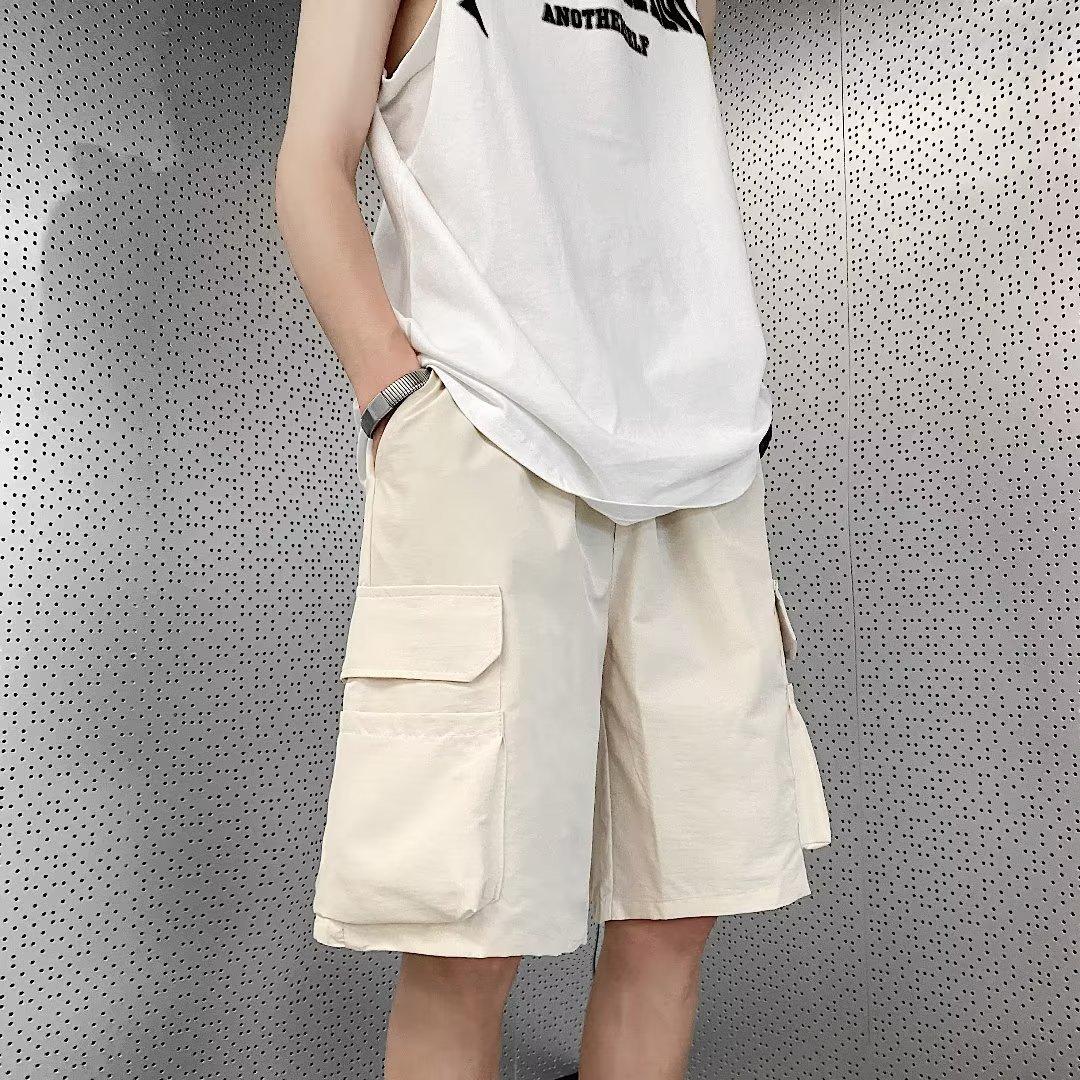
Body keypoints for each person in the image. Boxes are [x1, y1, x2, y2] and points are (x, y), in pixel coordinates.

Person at [275, 1, 831, 1076]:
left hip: (701, 457)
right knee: (470, 935)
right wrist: (397, 396)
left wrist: (729, 399)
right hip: (493, 432)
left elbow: (645, 168)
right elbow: (312, 162)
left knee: (677, 913)